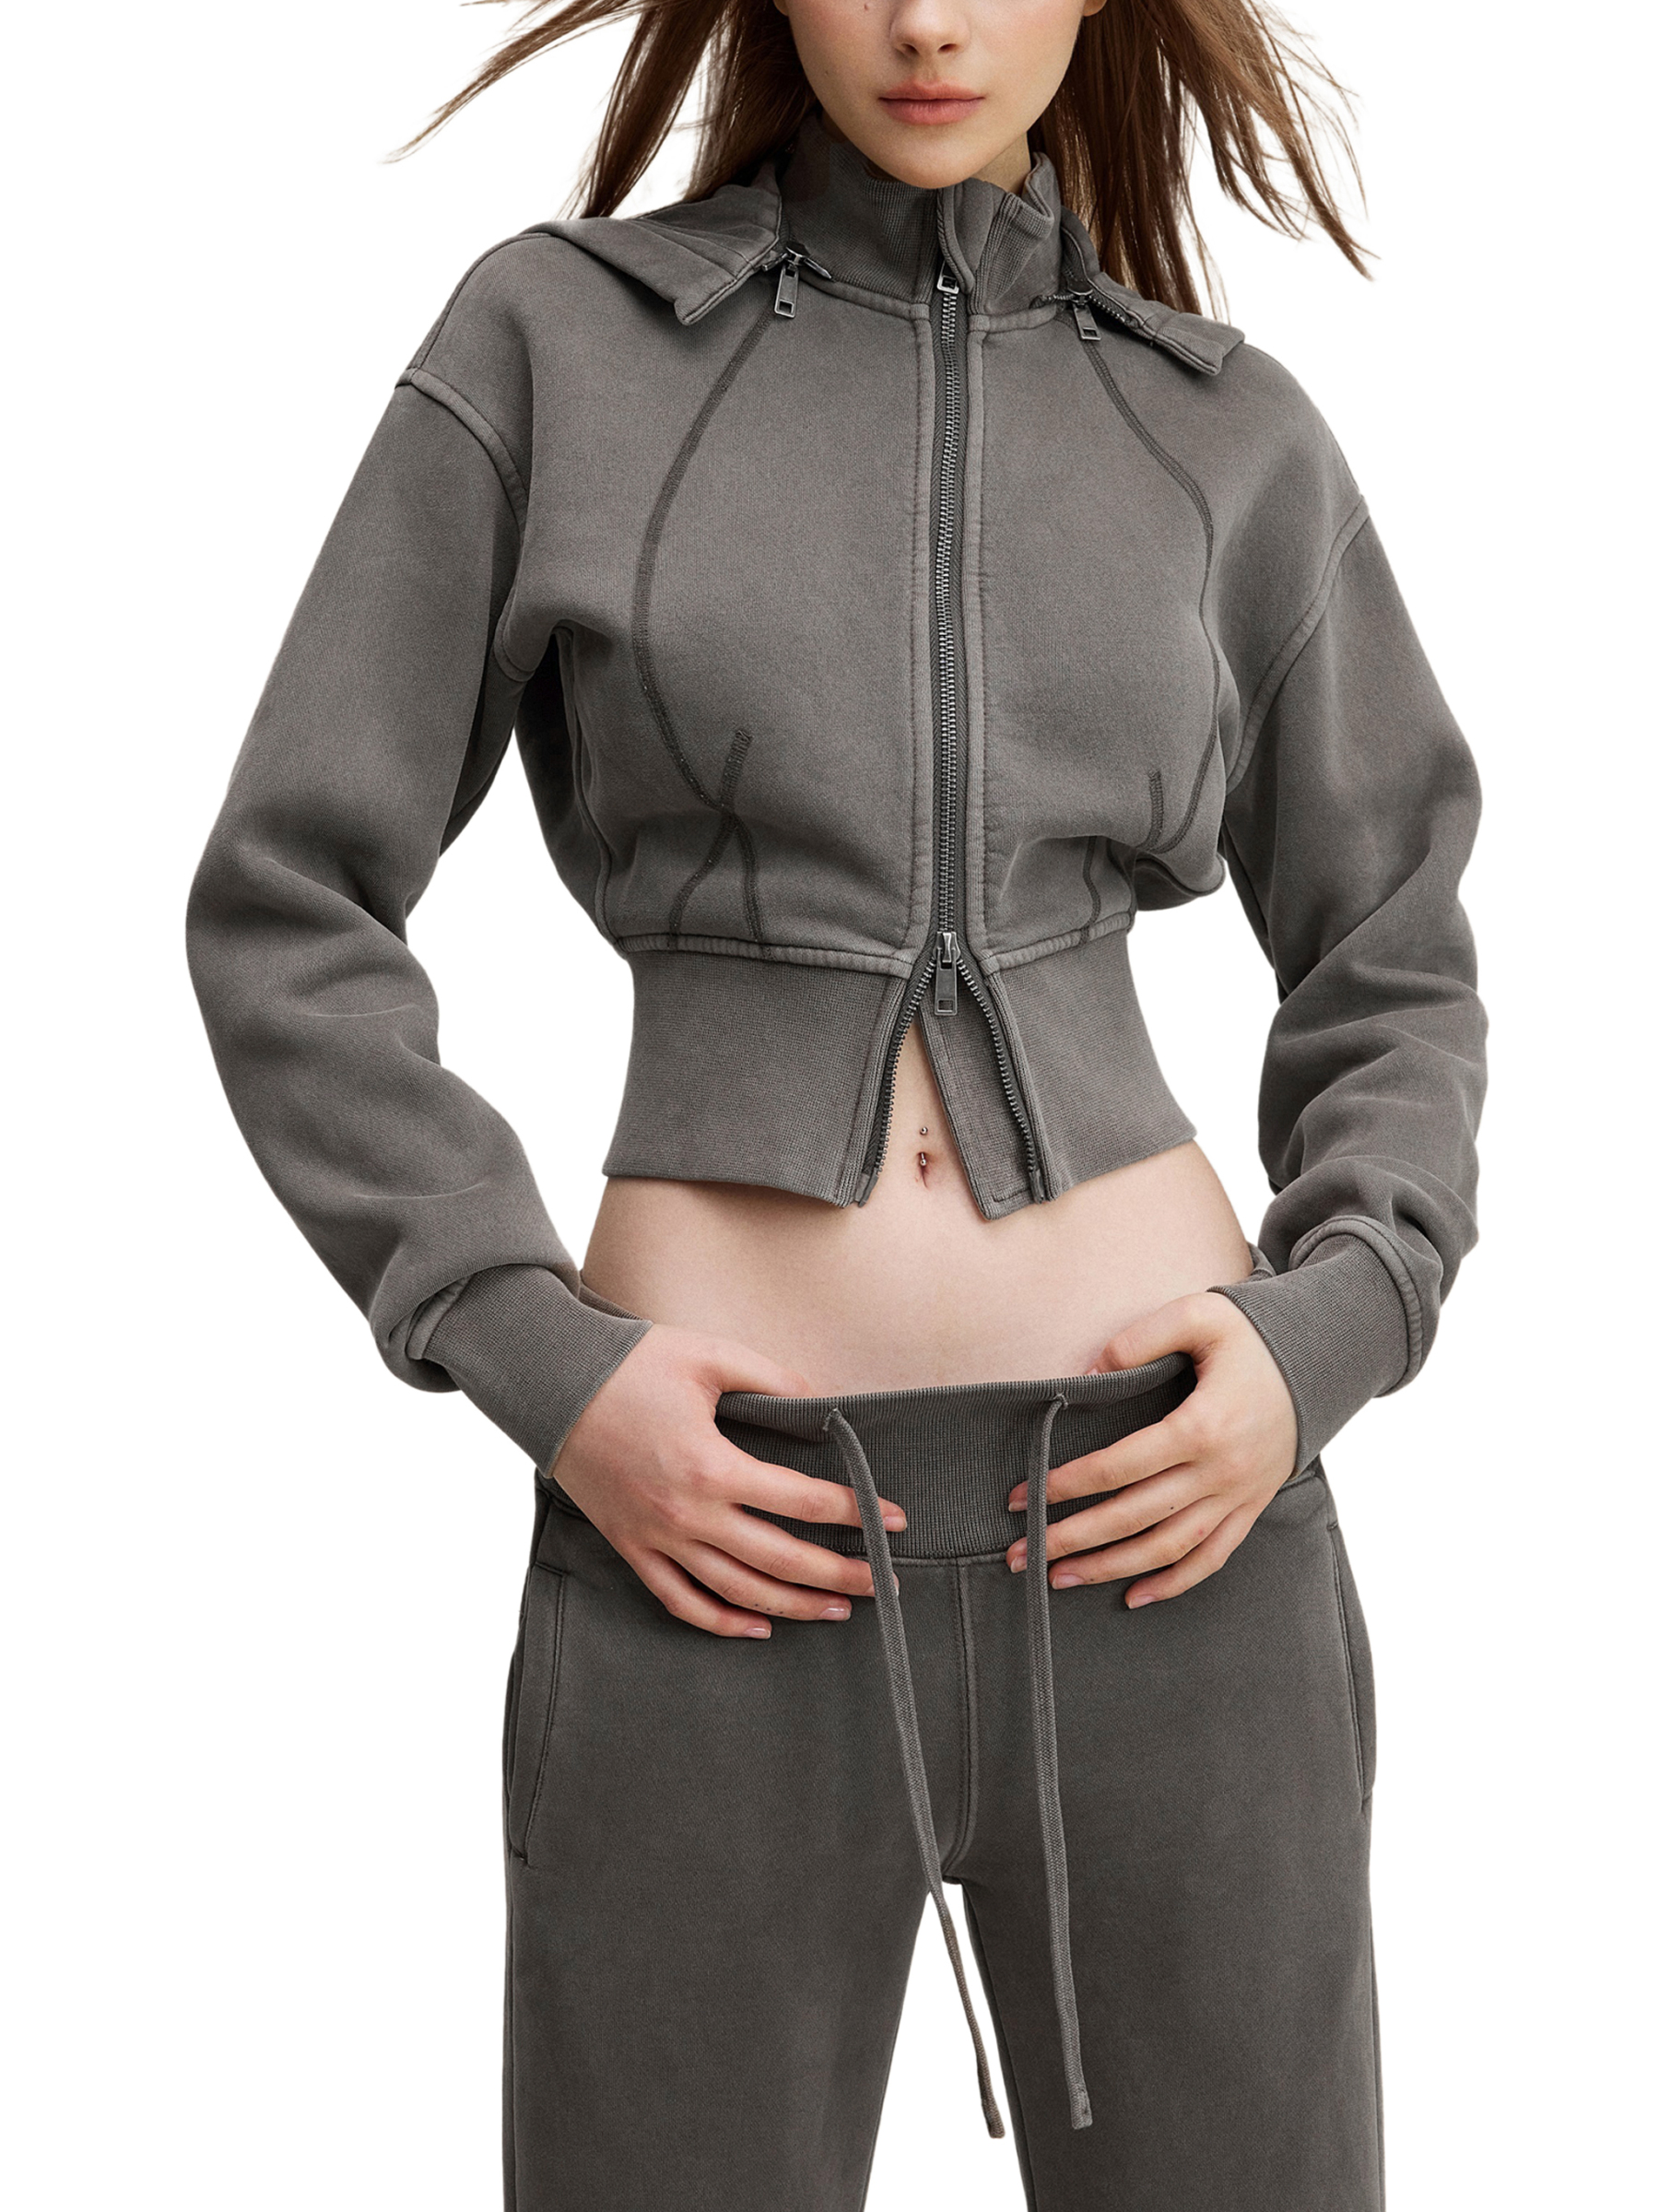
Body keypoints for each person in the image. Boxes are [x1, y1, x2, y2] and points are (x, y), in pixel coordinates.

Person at [186, 0, 1485, 2201]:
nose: (926, 21)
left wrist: (1332, 1329)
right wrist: (535, 1355)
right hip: (711, 1545)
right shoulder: (556, 348)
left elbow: (1398, 946)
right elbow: (285, 905)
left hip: (1179, 1543)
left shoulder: (1228, 431)